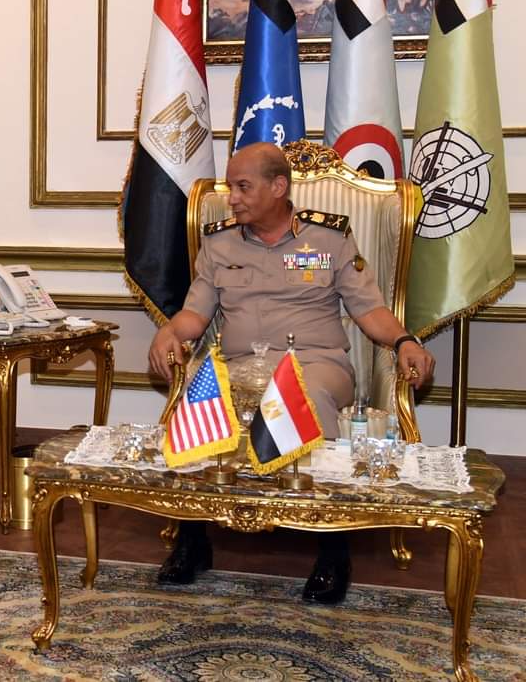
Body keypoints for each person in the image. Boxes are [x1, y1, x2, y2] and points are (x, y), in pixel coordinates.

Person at [148, 142, 434, 604]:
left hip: (316, 364)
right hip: (242, 365)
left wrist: (404, 342)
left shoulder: (329, 238)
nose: (232, 197)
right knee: (199, 399)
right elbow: (195, 315)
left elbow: (369, 309)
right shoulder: (218, 242)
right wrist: (169, 332)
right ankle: (193, 540)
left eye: (243, 187)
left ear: (279, 187)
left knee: (305, 396)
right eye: (230, 187)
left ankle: (333, 551)